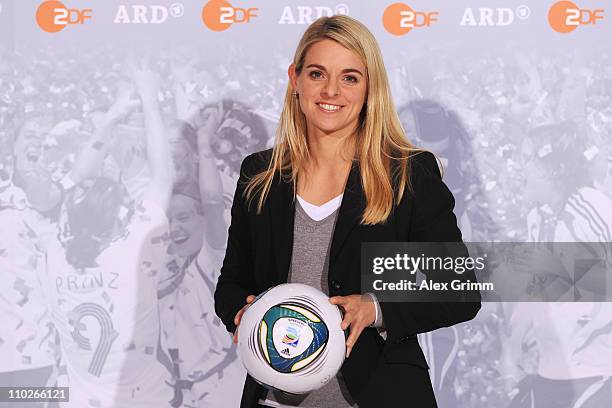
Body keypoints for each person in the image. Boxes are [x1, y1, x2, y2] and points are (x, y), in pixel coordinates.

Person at [214, 15, 481, 408]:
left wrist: (374, 308)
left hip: (381, 395)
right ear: (296, 78)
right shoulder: (260, 174)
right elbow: (232, 281)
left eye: (350, 77)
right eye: (318, 74)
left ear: (370, 86)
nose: (332, 91)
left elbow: (457, 290)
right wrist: (244, 312)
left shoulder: (408, 174)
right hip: (274, 399)